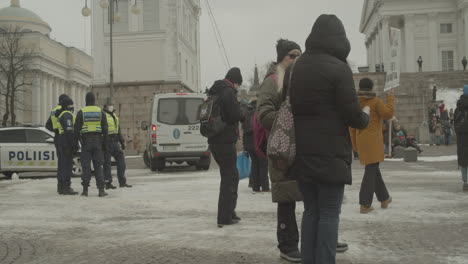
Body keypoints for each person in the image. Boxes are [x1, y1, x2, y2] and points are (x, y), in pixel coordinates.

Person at [288, 15, 370, 264]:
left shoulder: (295, 68)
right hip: (331, 153)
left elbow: (289, 104)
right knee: (329, 212)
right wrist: (365, 117)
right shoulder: (339, 68)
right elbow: (352, 115)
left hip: (301, 152)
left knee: (311, 211)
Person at [257, 39, 304, 263]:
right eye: (292, 55)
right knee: (286, 196)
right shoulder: (273, 81)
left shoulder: (300, 79)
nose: (296, 60)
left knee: (311, 193)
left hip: (300, 147)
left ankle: (323, 237)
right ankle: (287, 243)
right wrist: (288, 122)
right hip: (281, 148)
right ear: (281, 58)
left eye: (299, 55)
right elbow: (263, 113)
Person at [350, 78, 394, 214]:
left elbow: (351, 127)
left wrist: (355, 144)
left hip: (361, 139)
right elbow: (389, 113)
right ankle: (365, 203)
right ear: (371, 88)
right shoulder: (375, 102)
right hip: (373, 141)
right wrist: (390, 97)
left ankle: (384, 198)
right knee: (371, 171)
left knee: (374, 169)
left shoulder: (355, 103)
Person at [207, 67, 243, 228]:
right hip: (225, 140)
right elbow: (235, 115)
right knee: (230, 177)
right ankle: (224, 216)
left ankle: (230, 212)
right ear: (236, 82)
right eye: (239, 85)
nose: (238, 88)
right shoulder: (228, 92)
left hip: (215, 139)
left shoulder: (216, 91)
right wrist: (242, 110)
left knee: (230, 176)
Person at [74, 92, 109, 197]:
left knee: (86, 166)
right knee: (98, 166)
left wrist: (79, 141)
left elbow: (76, 130)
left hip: (86, 142)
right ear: (94, 100)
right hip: (98, 141)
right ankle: (101, 190)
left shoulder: (81, 112)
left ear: (86, 100)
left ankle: (85, 190)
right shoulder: (100, 112)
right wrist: (105, 144)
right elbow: (105, 130)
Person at [241, 100, 269, 192]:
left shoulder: (247, 114)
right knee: (263, 164)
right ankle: (265, 187)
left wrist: (244, 146)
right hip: (259, 143)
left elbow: (244, 131)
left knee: (254, 164)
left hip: (249, 144)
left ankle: (255, 187)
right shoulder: (258, 114)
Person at [45, 94, 70, 194]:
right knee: (67, 163)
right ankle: (66, 187)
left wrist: (55, 129)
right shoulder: (65, 110)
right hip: (65, 137)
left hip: (57, 138)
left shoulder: (53, 110)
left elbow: (47, 125)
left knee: (60, 163)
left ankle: (60, 186)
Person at [103, 104, 132, 189]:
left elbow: (118, 130)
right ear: (105, 107)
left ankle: (122, 182)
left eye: (111, 106)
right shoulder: (103, 115)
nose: (111, 107)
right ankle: (108, 183)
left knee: (121, 160)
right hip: (107, 142)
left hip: (115, 141)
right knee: (107, 163)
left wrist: (122, 142)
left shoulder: (114, 116)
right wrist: (104, 143)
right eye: (109, 106)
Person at [55, 97, 79, 195]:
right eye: (71, 105)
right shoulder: (67, 115)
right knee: (67, 165)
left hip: (61, 139)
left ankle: (61, 187)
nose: (73, 107)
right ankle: (66, 187)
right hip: (66, 141)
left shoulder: (60, 114)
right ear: (68, 106)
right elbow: (69, 130)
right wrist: (74, 144)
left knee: (62, 165)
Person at [454, 85, 468, 191]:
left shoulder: (458, 108)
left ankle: (465, 182)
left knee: (463, 160)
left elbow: (455, 123)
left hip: (461, 138)